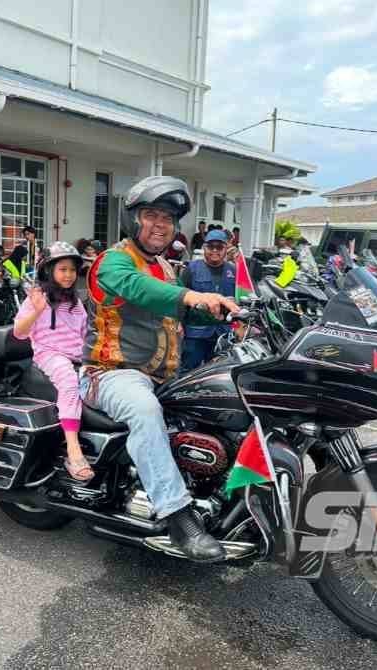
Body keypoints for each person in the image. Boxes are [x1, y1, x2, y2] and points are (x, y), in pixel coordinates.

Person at [80, 176, 238, 562]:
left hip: (164, 376)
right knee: (145, 410)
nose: (160, 224)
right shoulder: (113, 262)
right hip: (111, 373)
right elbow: (140, 290)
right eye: (151, 215)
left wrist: (257, 301)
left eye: (167, 218)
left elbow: (189, 296)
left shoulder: (167, 266)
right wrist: (194, 295)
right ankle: (178, 516)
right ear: (132, 219)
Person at [13, 242, 91, 481]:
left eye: (72, 270)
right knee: (68, 381)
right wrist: (37, 310)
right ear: (48, 271)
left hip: (78, 356)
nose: (68, 275)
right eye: (63, 269)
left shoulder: (75, 302)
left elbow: (85, 333)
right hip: (50, 354)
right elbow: (19, 332)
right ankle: (73, 450)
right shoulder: (37, 298)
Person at [180, 230, 235, 372]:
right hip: (196, 334)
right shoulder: (191, 269)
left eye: (220, 247)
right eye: (211, 247)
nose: (215, 250)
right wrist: (177, 325)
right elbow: (179, 299)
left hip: (223, 334)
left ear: (226, 249)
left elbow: (240, 301)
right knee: (188, 372)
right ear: (204, 248)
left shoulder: (234, 271)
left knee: (219, 374)